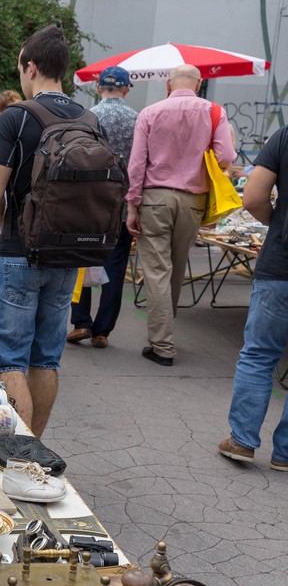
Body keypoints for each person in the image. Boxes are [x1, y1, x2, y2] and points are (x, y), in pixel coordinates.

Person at [0, 24, 83, 436]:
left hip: (20, 251)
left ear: (31, 67)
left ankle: (15, 455)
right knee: (46, 360)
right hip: (69, 253)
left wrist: (11, 226)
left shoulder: (16, 117)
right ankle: (35, 448)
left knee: (10, 361)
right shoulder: (87, 118)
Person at [126, 64, 235, 366]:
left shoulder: (150, 113)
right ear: (199, 84)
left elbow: (137, 164)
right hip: (194, 200)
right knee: (176, 266)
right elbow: (226, 157)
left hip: (155, 198)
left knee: (157, 269)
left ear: (168, 85)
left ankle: (162, 344)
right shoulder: (215, 112)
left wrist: (133, 205)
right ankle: (165, 333)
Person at [219, 129, 288, 469]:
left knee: (260, 354)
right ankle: (286, 452)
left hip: (281, 264)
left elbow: (253, 196)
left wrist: (276, 224)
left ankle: (243, 441)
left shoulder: (285, 136)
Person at [68, 66, 138, 349]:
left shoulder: (87, 117)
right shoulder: (138, 119)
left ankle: (81, 322)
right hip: (122, 203)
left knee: (81, 259)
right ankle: (103, 330)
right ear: (126, 89)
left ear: (98, 88)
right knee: (116, 265)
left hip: (89, 202)